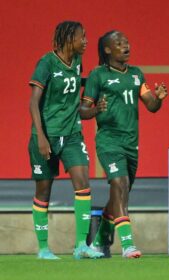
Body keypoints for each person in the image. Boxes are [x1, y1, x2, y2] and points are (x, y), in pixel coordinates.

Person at [80, 30, 168, 258]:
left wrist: (158, 97)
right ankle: (128, 244)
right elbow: (82, 110)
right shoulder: (98, 75)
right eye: (119, 43)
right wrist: (95, 109)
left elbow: (151, 106)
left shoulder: (137, 75)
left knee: (120, 192)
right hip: (109, 141)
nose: (126, 45)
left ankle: (99, 242)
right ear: (108, 49)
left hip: (131, 144)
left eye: (127, 42)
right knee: (119, 183)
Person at [29, 21, 103, 260]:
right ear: (69, 38)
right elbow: (33, 102)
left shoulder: (77, 63)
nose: (86, 41)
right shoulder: (46, 63)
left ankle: (81, 245)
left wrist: (94, 104)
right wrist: (41, 136)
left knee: (83, 184)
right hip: (47, 136)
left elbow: (74, 100)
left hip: (72, 134)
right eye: (82, 37)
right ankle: (43, 249)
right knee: (44, 190)